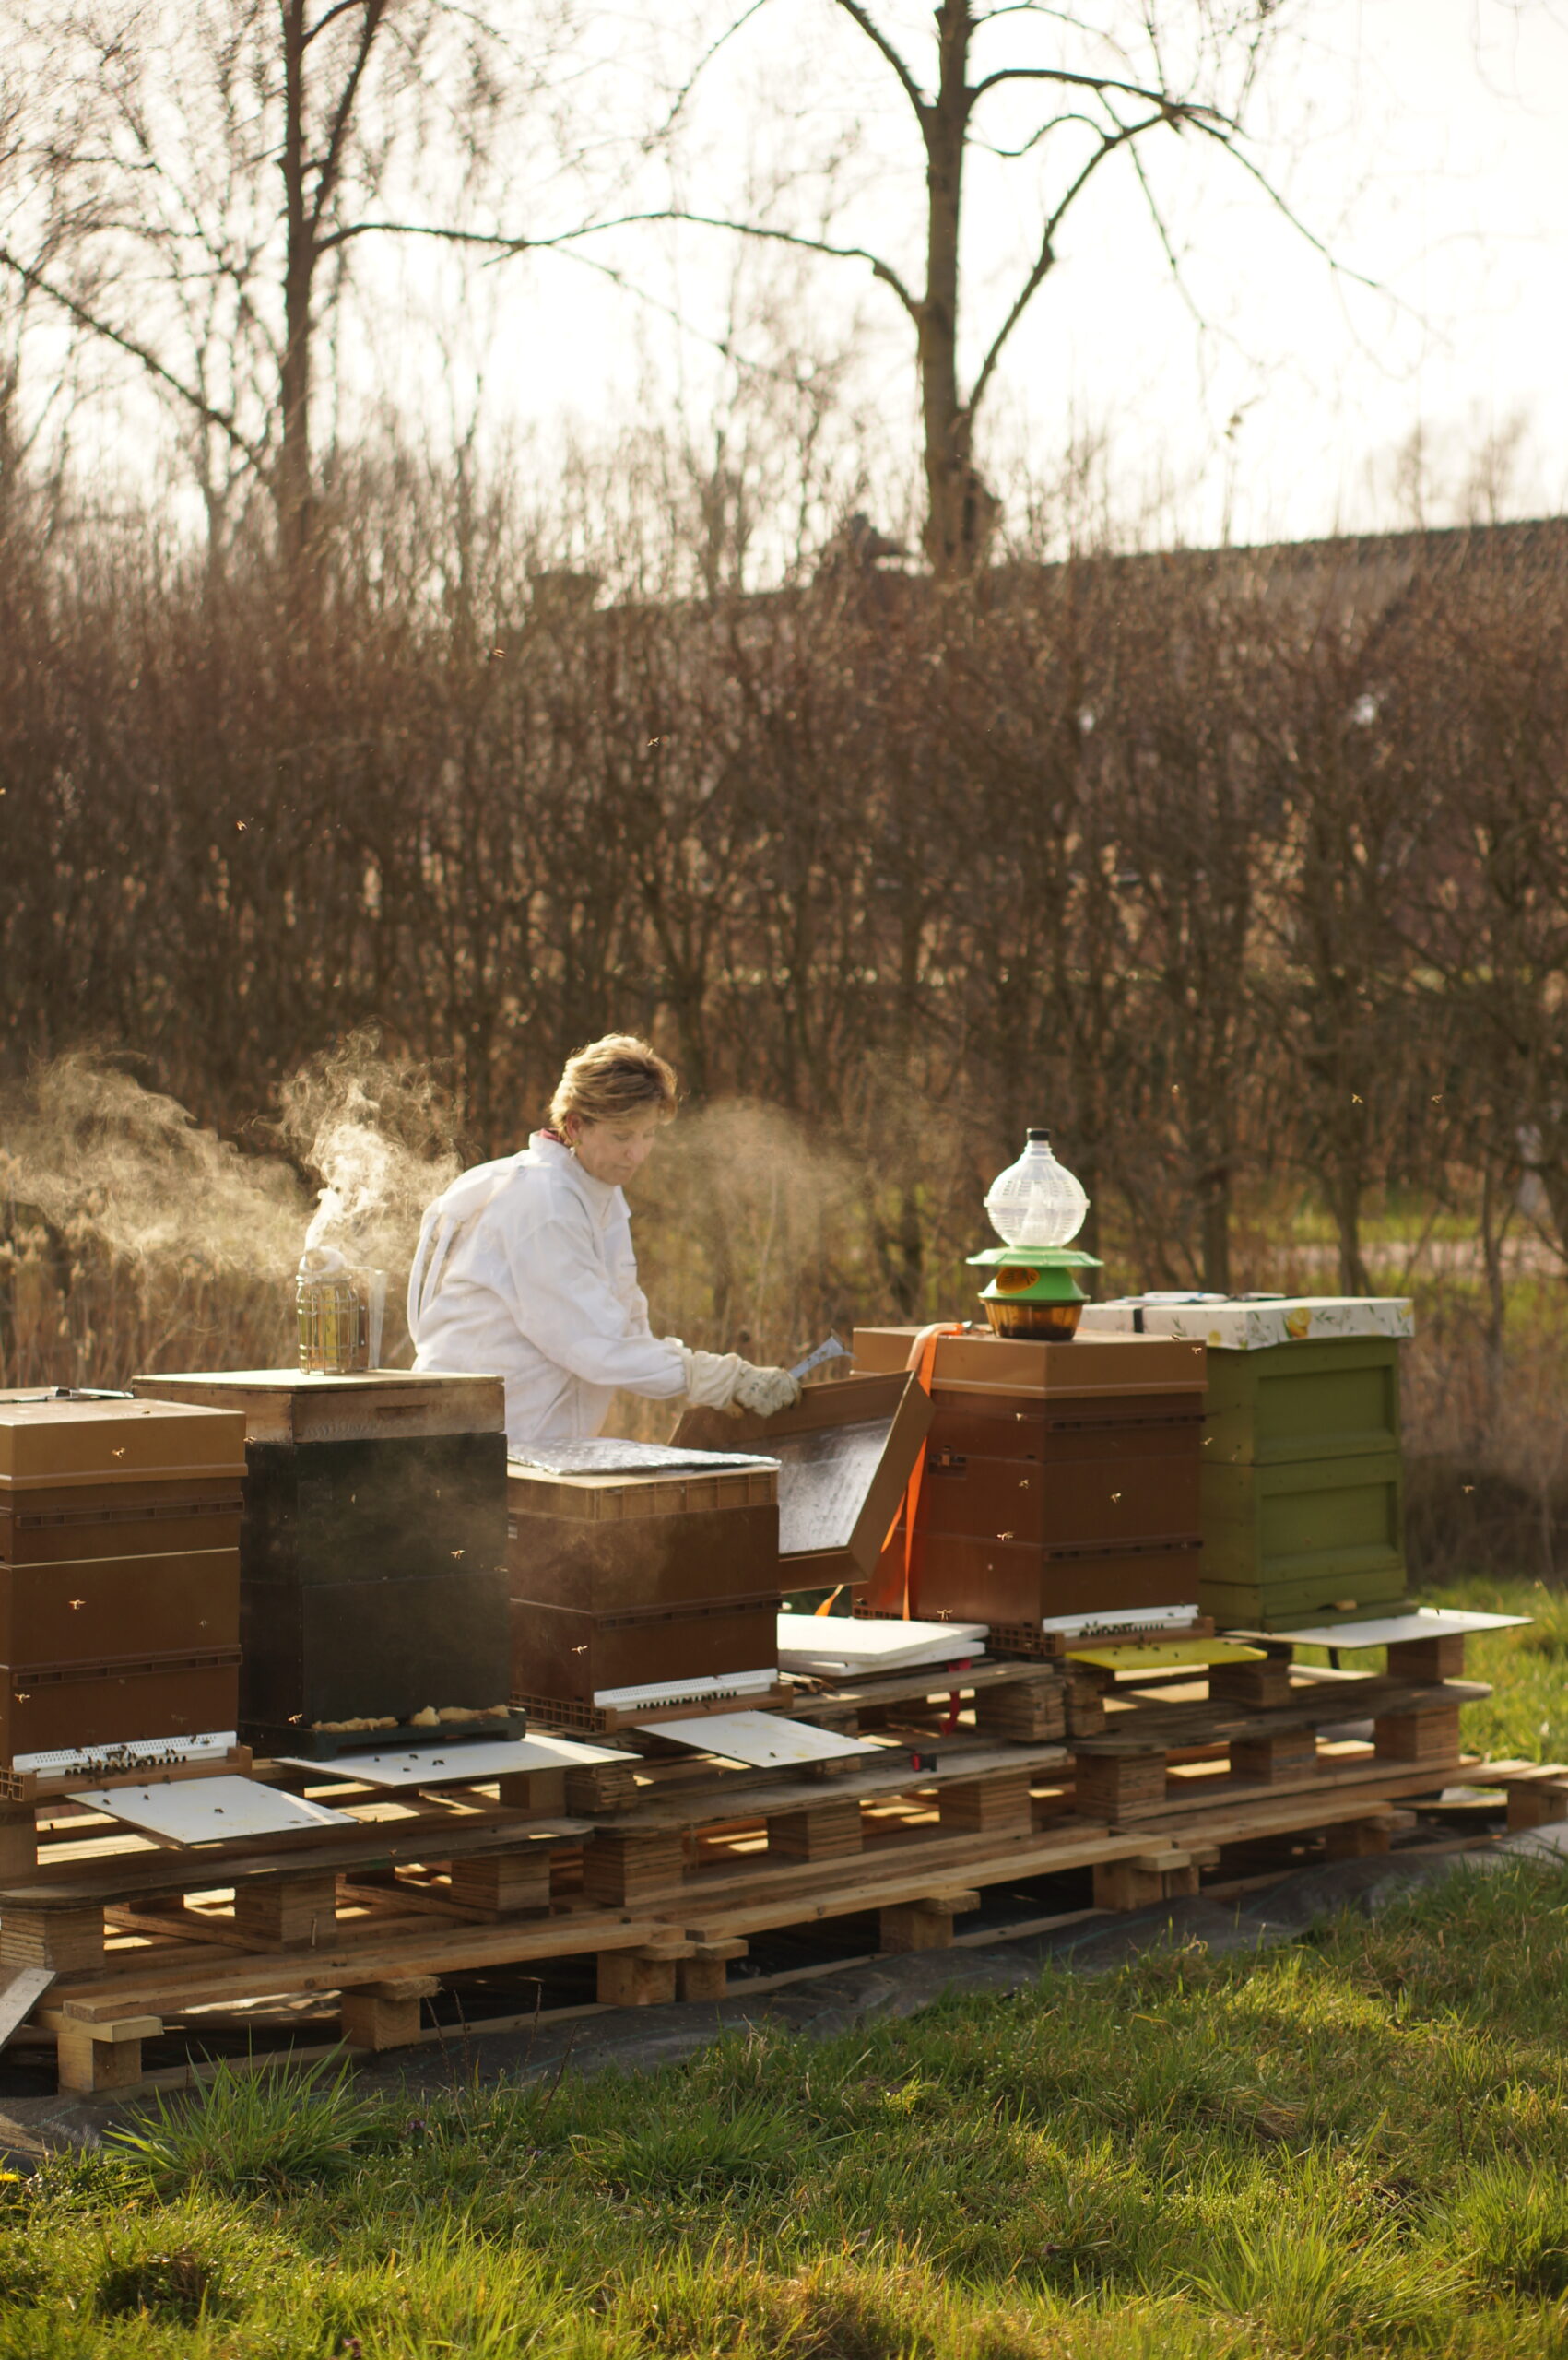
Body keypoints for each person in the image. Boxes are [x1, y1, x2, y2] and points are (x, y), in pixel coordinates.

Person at [407, 1034, 801, 1446]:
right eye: (622, 1137)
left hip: (520, 1447)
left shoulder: (596, 1192)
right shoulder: (544, 1206)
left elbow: (627, 1335)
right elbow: (597, 1348)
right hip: (473, 1449)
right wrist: (712, 1377)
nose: (638, 1154)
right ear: (575, 1125)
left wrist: (717, 1382)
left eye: (648, 1134)